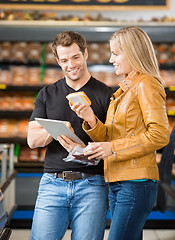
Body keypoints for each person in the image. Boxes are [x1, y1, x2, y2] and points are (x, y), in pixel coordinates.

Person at [62, 26, 170, 240]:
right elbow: (112, 138)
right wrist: (90, 118)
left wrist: (112, 147)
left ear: (132, 52)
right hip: (119, 180)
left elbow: (159, 134)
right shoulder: (125, 89)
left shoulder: (146, 84)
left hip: (136, 183)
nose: (111, 59)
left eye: (115, 53)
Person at [27, 31, 113, 240]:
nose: (71, 65)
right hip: (52, 183)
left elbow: (114, 142)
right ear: (57, 61)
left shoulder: (107, 94)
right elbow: (32, 141)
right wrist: (55, 130)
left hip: (93, 185)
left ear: (85, 54)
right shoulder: (47, 94)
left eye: (75, 57)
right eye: (64, 60)